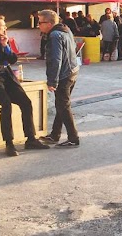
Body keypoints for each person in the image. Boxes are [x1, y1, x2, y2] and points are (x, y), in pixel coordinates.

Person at [0, 15, 50, 157]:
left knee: (26, 102)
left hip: (5, 76)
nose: (5, 28)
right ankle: (9, 143)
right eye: (2, 25)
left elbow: (13, 59)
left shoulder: (1, 41)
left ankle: (31, 139)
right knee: (6, 105)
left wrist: (5, 46)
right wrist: (3, 65)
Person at [37, 10, 81, 148]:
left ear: (49, 23)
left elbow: (56, 59)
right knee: (61, 105)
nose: (38, 25)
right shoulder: (65, 30)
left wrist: (52, 81)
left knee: (63, 106)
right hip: (72, 70)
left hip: (64, 75)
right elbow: (73, 48)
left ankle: (73, 138)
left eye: (40, 22)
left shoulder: (55, 35)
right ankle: (55, 134)